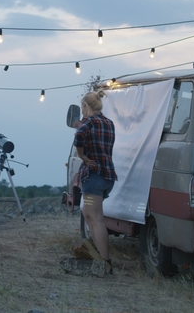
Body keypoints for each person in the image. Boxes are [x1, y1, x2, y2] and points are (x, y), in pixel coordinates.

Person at [73, 90, 118, 273]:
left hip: (93, 178)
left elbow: (78, 137)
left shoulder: (88, 123)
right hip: (107, 177)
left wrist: (83, 157)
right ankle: (98, 255)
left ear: (85, 106)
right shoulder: (109, 123)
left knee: (96, 218)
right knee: (88, 212)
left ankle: (105, 262)